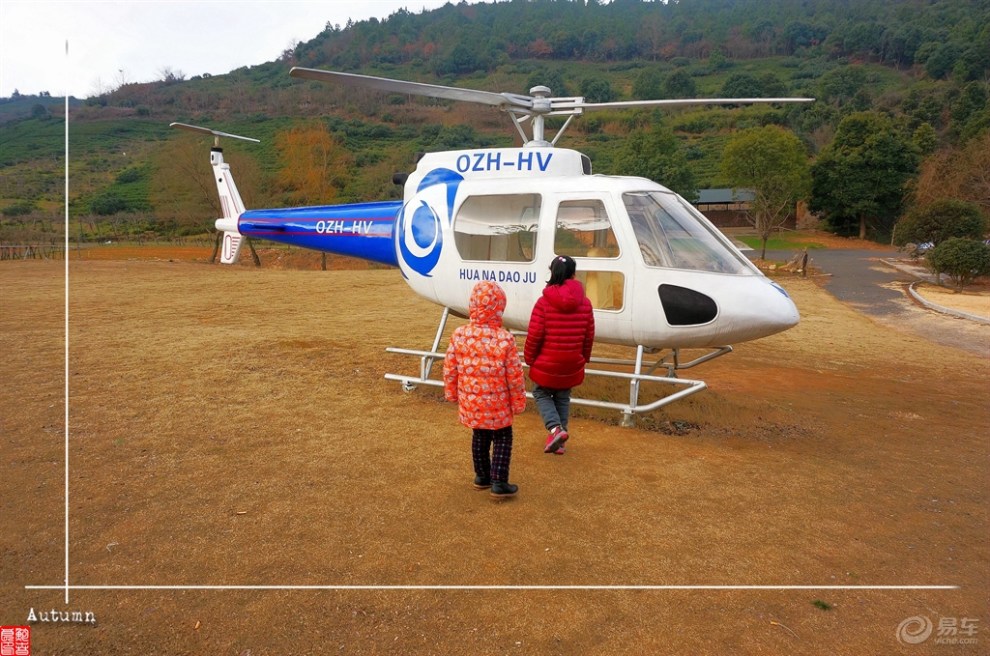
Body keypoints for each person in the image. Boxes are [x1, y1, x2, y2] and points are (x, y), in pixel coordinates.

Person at [443, 280, 527, 499]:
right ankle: (499, 481)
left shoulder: (459, 335)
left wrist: (451, 392)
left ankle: (482, 476)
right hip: (498, 404)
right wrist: (518, 402)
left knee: (479, 435)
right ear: (499, 308)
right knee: (502, 437)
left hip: (473, 403)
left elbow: (450, 368)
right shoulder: (505, 339)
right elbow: (515, 376)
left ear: (473, 306)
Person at [524, 255, 595, 455]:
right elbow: (588, 335)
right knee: (563, 397)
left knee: (541, 393)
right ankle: (559, 442)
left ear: (553, 273)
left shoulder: (543, 302)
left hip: (547, 361)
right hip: (572, 360)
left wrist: (529, 358)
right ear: (573, 273)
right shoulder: (586, 303)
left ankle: (555, 429)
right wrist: (584, 359)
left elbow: (535, 334)